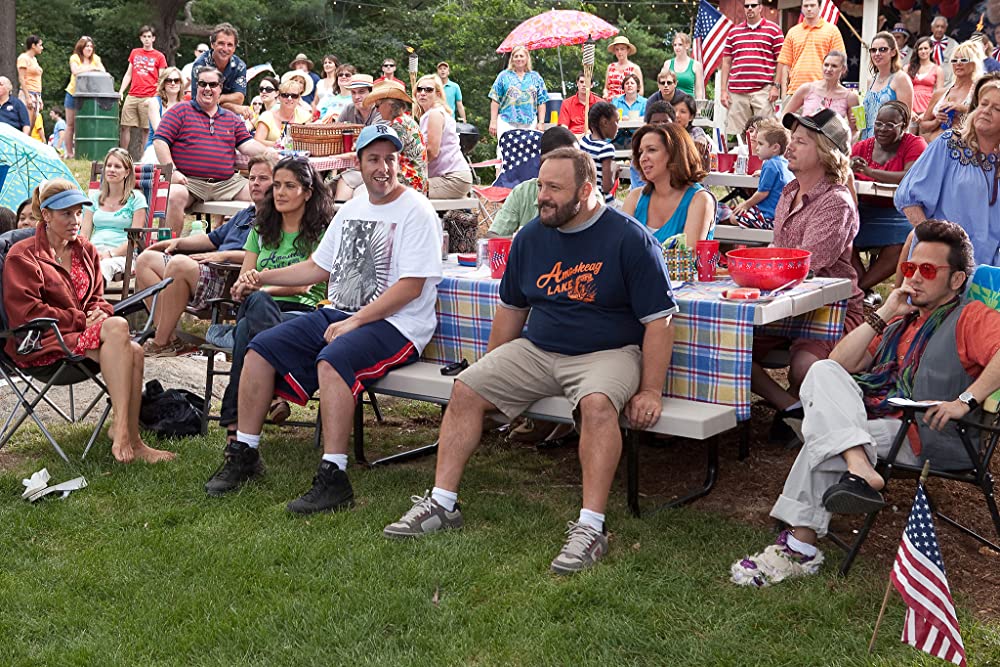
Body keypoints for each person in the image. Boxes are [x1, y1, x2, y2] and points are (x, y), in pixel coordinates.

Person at [384, 146, 679, 575]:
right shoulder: (531, 237)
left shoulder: (629, 238)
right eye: (541, 185)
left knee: (598, 406)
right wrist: (491, 374)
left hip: (607, 352)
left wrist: (650, 389)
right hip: (538, 349)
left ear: (586, 190)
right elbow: (511, 312)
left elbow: (659, 321)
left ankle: (591, 527)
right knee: (467, 388)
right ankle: (443, 504)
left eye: (554, 188)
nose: (543, 196)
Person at [730, 220, 1000, 587]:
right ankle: (857, 465)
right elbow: (839, 363)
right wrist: (885, 312)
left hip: (929, 433)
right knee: (822, 371)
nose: (913, 278)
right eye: (910, 268)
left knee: (824, 437)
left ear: (956, 280)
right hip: (882, 420)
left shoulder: (969, 317)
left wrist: (966, 400)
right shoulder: (903, 321)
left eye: (927, 270)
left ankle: (800, 546)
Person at [203, 125, 442, 514]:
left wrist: (356, 321)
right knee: (261, 348)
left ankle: (334, 476)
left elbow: (412, 287)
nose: (383, 168)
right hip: (341, 312)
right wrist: (261, 277)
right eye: (374, 159)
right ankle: (245, 452)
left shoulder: (417, 210)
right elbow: (317, 267)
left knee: (333, 359)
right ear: (358, 164)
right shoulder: (353, 209)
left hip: (398, 325)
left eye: (390, 159)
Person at [2, 179, 174, 464]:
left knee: (134, 348)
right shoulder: (23, 255)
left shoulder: (85, 250)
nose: (76, 221)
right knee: (120, 329)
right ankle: (123, 431)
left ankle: (131, 437)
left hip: (80, 340)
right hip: (44, 343)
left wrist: (101, 312)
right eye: (66, 214)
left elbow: (97, 298)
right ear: (46, 215)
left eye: (78, 213)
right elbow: (28, 313)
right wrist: (83, 319)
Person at [751, 109, 864, 442]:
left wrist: (757, 269)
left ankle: (801, 405)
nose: (789, 147)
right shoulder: (789, 191)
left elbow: (806, 264)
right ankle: (791, 407)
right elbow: (779, 251)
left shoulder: (836, 201)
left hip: (830, 308)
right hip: (785, 302)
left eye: (800, 141)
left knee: (805, 367)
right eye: (793, 139)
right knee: (727, 346)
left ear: (826, 152)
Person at [218, 157, 331, 444]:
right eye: (277, 185)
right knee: (257, 304)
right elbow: (245, 280)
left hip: (301, 313)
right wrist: (247, 289)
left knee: (246, 328)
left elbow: (305, 284)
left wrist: (262, 287)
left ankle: (235, 427)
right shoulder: (261, 230)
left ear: (308, 192)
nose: (280, 192)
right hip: (258, 307)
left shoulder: (321, 233)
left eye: (289, 186)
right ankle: (279, 387)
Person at [134, 155, 275, 357]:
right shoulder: (245, 214)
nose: (255, 183)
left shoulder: (276, 219)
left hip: (228, 279)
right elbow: (211, 239)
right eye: (252, 178)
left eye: (263, 178)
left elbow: (263, 256)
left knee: (179, 264)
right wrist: (177, 242)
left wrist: (223, 256)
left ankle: (160, 341)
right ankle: (169, 338)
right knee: (145, 260)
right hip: (208, 270)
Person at [153, 67, 275, 236]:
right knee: (173, 195)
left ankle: (262, 243)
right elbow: (160, 141)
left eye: (213, 84)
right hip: (189, 182)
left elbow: (247, 145)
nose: (207, 88)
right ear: (196, 86)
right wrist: (172, 171)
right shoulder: (179, 111)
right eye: (203, 84)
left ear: (220, 88)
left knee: (269, 192)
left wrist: (271, 153)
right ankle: (167, 246)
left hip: (227, 183)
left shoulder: (231, 118)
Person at [897, 74, 1000, 267]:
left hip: (990, 268)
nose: (986, 111)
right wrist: (931, 242)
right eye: (983, 104)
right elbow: (908, 199)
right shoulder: (949, 144)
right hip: (941, 263)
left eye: (997, 108)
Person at [850, 101, 926, 293]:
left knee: (906, 238)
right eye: (878, 123)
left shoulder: (914, 144)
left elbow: (908, 177)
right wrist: (849, 168)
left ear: (904, 126)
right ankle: (862, 290)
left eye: (890, 125)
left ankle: (860, 288)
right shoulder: (862, 146)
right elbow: (840, 170)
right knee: (839, 231)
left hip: (898, 212)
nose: (882, 129)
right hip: (863, 210)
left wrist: (869, 172)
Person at [623, 123, 714, 248]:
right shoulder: (635, 198)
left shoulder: (699, 199)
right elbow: (620, 249)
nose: (643, 158)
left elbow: (688, 255)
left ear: (675, 153)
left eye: (652, 150)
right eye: (640, 152)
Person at [486, 126, 579, 237]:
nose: (574, 167)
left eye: (577, 160)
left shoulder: (584, 194)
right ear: (544, 161)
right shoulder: (522, 193)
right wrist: (521, 240)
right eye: (566, 161)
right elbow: (493, 236)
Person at [82, 147, 147, 284]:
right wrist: (87, 253)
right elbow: (84, 235)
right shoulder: (94, 198)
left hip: (122, 255)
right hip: (94, 251)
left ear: (127, 172)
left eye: (117, 166)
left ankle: (92, 295)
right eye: (108, 165)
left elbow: (135, 239)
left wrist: (110, 254)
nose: (111, 169)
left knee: (103, 267)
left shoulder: (136, 199)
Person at [720, 0, 784, 134]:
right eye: (746, 6)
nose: (750, 8)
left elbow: (781, 60)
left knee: (766, 133)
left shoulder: (774, 30)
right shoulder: (734, 32)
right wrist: (723, 91)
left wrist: (776, 87)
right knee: (739, 135)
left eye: (753, 5)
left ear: (760, 7)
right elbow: (726, 62)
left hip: (763, 92)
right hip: (737, 93)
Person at [414, 74, 473, 199]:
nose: (422, 93)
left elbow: (432, 152)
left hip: (453, 178)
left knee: (403, 191)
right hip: (447, 176)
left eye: (428, 90)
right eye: (419, 89)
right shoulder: (430, 114)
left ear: (438, 94)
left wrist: (412, 168)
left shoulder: (435, 114)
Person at [362, 80, 426, 194]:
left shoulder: (399, 124)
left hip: (408, 183)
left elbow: (384, 156)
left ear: (390, 105)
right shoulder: (404, 120)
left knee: (359, 184)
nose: (377, 110)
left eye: (378, 105)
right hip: (413, 181)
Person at [776, 0, 846, 99]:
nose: (809, 9)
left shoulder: (832, 31)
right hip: (794, 91)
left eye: (812, 5)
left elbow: (839, 63)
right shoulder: (792, 32)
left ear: (819, 7)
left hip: (822, 92)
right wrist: (784, 94)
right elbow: (785, 65)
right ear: (802, 8)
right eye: (806, 6)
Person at [729, 120, 792, 230]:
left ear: (775, 148)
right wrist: (763, 173)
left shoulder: (770, 164)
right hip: (782, 217)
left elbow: (762, 193)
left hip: (769, 217)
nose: (757, 147)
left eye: (761, 144)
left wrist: (746, 204)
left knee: (733, 217)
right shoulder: (784, 163)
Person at [917, 40, 983, 144]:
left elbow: (986, 117)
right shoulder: (940, 93)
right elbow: (923, 126)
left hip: (963, 148)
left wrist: (962, 108)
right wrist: (937, 121)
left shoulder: (979, 93)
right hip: (935, 146)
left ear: (974, 63)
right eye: (954, 60)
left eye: (964, 59)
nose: (958, 63)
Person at [782, 51, 860, 132]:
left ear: (843, 69)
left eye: (834, 66)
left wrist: (854, 125)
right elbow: (784, 116)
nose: (828, 69)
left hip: (833, 139)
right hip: (806, 138)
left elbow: (856, 129)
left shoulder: (851, 97)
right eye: (826, 65)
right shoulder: (806, 89)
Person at [119, 25, 167, 153]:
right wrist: (121, 91)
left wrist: (156, 96)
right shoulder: (135, 52)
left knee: (146, 130)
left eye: (149, 37)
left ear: (153, 38)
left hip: (149, 96)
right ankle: (122, 155)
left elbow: (162, 79)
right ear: (141, 38)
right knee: (125, 126)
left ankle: (144, 158)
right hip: (132, 94)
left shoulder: (159, 56)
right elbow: (128, 74)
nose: (146, 39)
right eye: (144, 36)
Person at [859, 31, 914, 140]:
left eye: (882, 49)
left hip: (889, 143)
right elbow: (863, 121)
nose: (877, 53)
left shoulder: (901, 79)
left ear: (893, 52)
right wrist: (856, 118)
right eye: (873, 50)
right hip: (867, 141)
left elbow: (906, 120)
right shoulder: (871, 81)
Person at [188, 23, 249, 119]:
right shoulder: (200, 65)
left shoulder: (240, 66)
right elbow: (200, 102)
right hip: (202, 117)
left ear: (234, 48)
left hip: (229, 118)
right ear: (212, 44)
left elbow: (239, 98)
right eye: (221, 43)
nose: (225, 49)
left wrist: (220, 99)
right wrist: (233, 107)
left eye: (230, 45)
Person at [489, 46, 548, 142]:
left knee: (528, 149)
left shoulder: (536, 77)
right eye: (516, 56)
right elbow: (495, 99)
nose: (519, 59)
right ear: (512, 59)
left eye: (521, 56)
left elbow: (542, 101)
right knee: (505, 148)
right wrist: (493, 121)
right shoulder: (503, 76)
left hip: (529, 122)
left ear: (527, 58)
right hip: (506, 121)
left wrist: (541, 122)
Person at [64, 36, 105, 159]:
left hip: (89, 95)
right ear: (81, 47)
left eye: (91, 46)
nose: (89, 49)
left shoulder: (96, 58)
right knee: (70, 124)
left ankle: (82, 151)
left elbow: (103, 71)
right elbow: (75, 71)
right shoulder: (75, 57)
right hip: (73, 93)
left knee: (84, 124)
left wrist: (88, 68)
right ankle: (69, 152)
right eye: (87, 46)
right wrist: (92, 68)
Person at [626, 101, 675, 191]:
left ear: (674, 124)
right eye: (655, 123)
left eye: (665, 122)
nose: (660, 126)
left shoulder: (681, 152)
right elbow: (641, 191)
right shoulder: (639, 159)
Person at [140, 67, 183, 164]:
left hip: (179, 148)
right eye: (169, 80)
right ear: (163, 83)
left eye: (176, 80)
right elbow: (159, 131)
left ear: (181, 84)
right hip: (156, 148)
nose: (173, 83)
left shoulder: (184, 105)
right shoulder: (154, 102)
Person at [254, 76, 311, 148]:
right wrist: (277, 145)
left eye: (294, 96)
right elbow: (257, 141)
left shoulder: (305, 116)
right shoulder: (267, 117)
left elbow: (310, 141)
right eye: (285, 95)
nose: (289, 98)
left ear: (299, 98)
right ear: (279, 97)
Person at [580, 102, 619, 204]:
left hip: (584, 196)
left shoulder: (584, 140)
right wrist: (614, 171)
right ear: (605, 122)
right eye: (616, 122)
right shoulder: (606, 148)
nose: (618, 127)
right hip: (600, 200)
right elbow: (607, 187)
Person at [907, 36, 944, 125]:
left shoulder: (938, 70)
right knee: (910, 134)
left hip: (928, 110)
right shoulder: (907, 68)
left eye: (926, 48)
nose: (923, 51)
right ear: (917, 51)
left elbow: (940, 95)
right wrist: (910, 111)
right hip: (911, 110)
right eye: (920, 49)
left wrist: (927, 113)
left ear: (931, 49)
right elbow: (902, 92)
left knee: (925, 133)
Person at [663, 32, 704, 99]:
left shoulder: (696, 65)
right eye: (675, 45)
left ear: (687, 46)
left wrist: (699, 104)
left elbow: (699, 91)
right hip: (671, 102)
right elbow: (662, 87)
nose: (677, 47)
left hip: (689, 102)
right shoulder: (667, 64)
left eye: (680, 45)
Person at [17, 35, 44, 132]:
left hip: (36, 94)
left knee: (32, 127)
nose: (42, 48)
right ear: (33, 45)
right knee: (26, 127)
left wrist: (39, 98)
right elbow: (21, 78)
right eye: (40, 45)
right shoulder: (23, 58)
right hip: (28, 93)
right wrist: (27, 97)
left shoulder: (34, 59)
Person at [930, 15, 958, 85]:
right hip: (928, 84)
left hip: (948, 84)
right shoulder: (924, 43)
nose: (939, 29)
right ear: (932, 28)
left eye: (942, 27)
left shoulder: (954, 44)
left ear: (945, 29)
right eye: (937, 26)